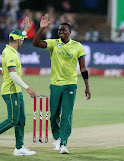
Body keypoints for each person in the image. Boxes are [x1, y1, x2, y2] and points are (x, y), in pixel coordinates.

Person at [32, 14, 91, 154]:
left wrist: (87, 86)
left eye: (64, 30)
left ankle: (64, 143)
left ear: (70, 32)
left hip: (70, 84)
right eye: (59, 30)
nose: (61, 32)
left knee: (66, 115)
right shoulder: (53, 43)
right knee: (53, 116)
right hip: (55, 85)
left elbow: (83, 68)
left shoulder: (77, 46)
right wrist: (41, 29)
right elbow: (35, 43)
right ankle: (57, 138)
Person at [0, 17, 37, 156]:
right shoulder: (9, 54)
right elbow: (13, 75)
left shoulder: (11, 49)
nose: (23, 40)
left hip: (16, 91)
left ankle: (18, 148)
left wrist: (26, 30)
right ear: (18, 41)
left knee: (21, 120)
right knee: (12, 120)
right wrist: (27, 87)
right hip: (10, 91)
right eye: (21, 39)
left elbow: (21, 35)